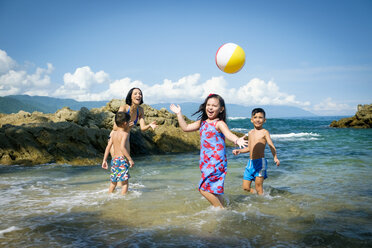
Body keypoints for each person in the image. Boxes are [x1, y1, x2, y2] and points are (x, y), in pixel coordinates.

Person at [170, 94, 247, 208]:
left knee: (203, 189)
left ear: (221, 109)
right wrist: (178, 114)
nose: (210, 108)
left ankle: (220, 210)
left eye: (214, 106)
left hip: (216, 162)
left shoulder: (219, 123)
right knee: (214, 190)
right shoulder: (202, 122)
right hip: (206, 161)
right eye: (208, 105)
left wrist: (237, 140)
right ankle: (225, 210)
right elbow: (185, 128)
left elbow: (228, 134)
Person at [232, 108, 280, 195]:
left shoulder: (264, 132)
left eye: (260, 117)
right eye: (255, 117)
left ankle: (263, 202)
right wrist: (239, 151)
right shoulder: (250, 133)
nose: (258, 119)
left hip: (260, 163)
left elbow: (271, 145)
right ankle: (259, 196)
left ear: (264, 120)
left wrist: (275, 157)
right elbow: (249, 148)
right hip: (250, 163)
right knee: (246, 187)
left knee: (258, 187)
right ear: (251, 120)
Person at [111, 87, 158, 154]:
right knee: (116, 161)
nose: (138, 95)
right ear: (130, 97)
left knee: (127, 161)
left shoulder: (140, 110)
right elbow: (115, 127)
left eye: (140, 94)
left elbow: (142, 128)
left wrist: (149, 125)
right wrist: (127, 126)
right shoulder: (124, 108)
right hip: (116, 136)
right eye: (135, 94)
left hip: (126, 136)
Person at [102, 111, 134, 195]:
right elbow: (122, 148)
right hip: (122, 160)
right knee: (125, 183)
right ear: (125, 123)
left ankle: (109, 195)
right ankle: (122, 199)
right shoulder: (125, 134)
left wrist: (104, 160)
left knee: (113, 182)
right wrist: (130, 159)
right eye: (128, 122)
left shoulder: (113, 134)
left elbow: (108, 147)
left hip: (114, 160)